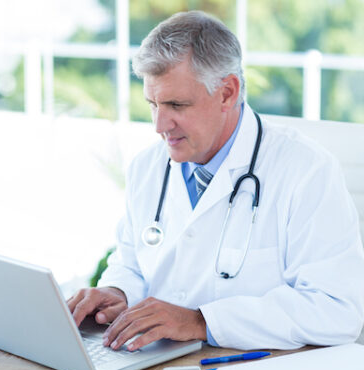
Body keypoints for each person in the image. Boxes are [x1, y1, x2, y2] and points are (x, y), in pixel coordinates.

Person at [67, 10, 364, 351]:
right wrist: (117, 293)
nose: (159, 125)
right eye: (153, 104)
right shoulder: (147, 167)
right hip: (157, 363)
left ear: (227, 93)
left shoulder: (306, 171)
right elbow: (131, 263)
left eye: (176, 104)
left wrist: (200, 321)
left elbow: (336, 310)